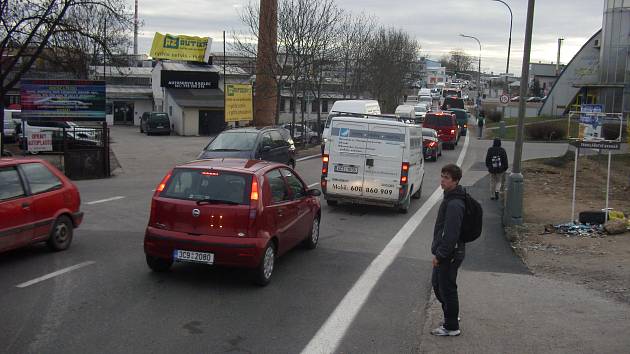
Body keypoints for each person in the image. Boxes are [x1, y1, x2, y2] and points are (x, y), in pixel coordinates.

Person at [430, 164, 466, 337]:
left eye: (447, 178)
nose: (442, 180)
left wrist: (440, 255)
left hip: (450, 253)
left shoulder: (455, 204)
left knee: (446, 288)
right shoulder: (450, 197)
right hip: (449, 252)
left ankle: (451, 326)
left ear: (456, 181)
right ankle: (451, 316)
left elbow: (451, 234)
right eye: (442, 176)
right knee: (439, 285)